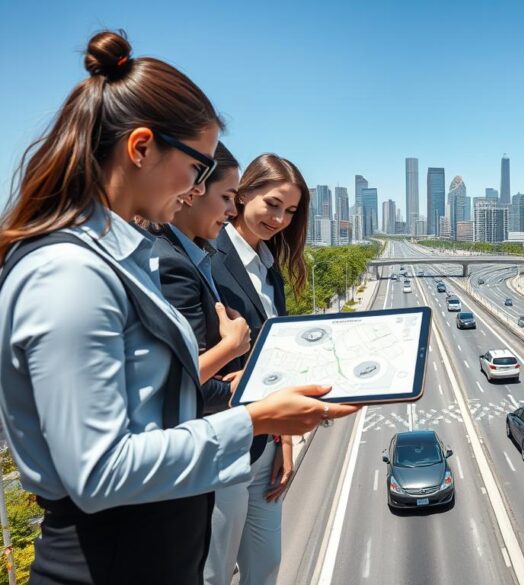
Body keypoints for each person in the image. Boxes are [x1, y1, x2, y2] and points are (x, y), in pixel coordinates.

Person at [0, 31, 359, 585]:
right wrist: (255, 419)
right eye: (198, 168)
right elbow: (99, 472)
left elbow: (158, 402)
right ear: (141, 147)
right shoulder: (67, 274)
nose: (197, 190)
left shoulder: (121, 259)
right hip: (107, 561)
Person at [207, 153, 310, 585]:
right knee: (213, 572)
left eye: (289, 211)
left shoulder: (270, 269)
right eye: (272, 204)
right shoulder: (209, 259)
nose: (280, 219)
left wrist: (284, 440)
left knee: (265, 566)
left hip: (266, 446)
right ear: (242, 193)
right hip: (224, 442)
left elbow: (276, 361)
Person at [152, 141, 249, 414]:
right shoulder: (170, 264)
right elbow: (187, 383)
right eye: (226, 197)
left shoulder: (195, 254)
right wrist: (236, 355)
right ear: (194, 191)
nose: (232, 212)